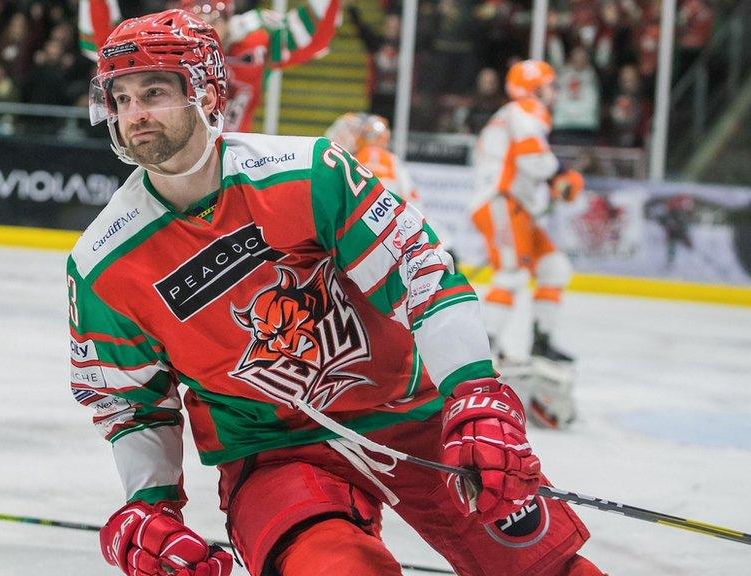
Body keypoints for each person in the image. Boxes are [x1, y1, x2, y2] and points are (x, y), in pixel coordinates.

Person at [70, 11, 603, 576]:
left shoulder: (310, 174)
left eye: (153, 91)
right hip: (270, 449)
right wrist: (151, 507)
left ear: (205, 91)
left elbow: (420, 273)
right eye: (121, 98)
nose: (135, 114)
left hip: (409, 410)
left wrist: (475, 394)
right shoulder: (101, 263)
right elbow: (130, 403)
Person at [470, 59, 585, 428]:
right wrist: (562, 175)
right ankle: (483, 347)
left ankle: (541, 339)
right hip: (501, 202)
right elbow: (534, 158)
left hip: (512, 204)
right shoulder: (526, 110)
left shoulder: (512, 112)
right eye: (549, 85)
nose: (553, 92)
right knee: (511, 275)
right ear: (535, 89)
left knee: (553, 268)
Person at [79, 0, 342, 132]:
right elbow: (103, 45)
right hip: (173, 155)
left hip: (233, 158)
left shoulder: (257, 40)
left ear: (231, 17)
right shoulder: (160, 45)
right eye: (196, 17)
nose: (206, 26)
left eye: (214, 16)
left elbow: (315, 36)